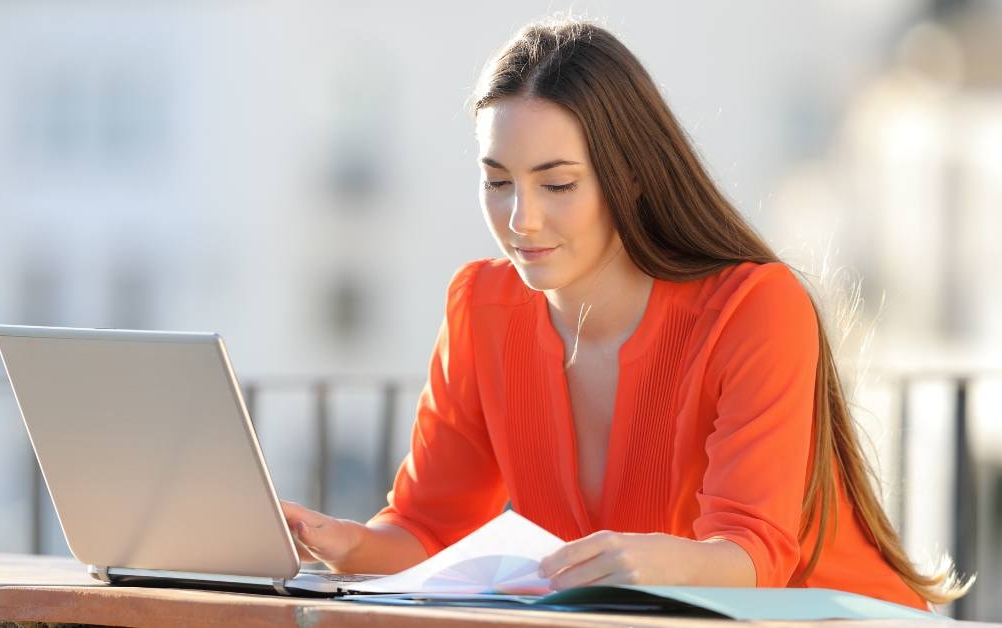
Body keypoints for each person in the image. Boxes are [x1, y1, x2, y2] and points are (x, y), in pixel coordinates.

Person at [280, 16, 970, 610]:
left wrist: (652, 564)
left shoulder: (755, 307)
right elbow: (429, 532)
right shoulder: (480, 309)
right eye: (497, 182)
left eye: (557, 183)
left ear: (631, 177)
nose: (522, 218)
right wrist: (340, 543)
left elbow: (751, 555)